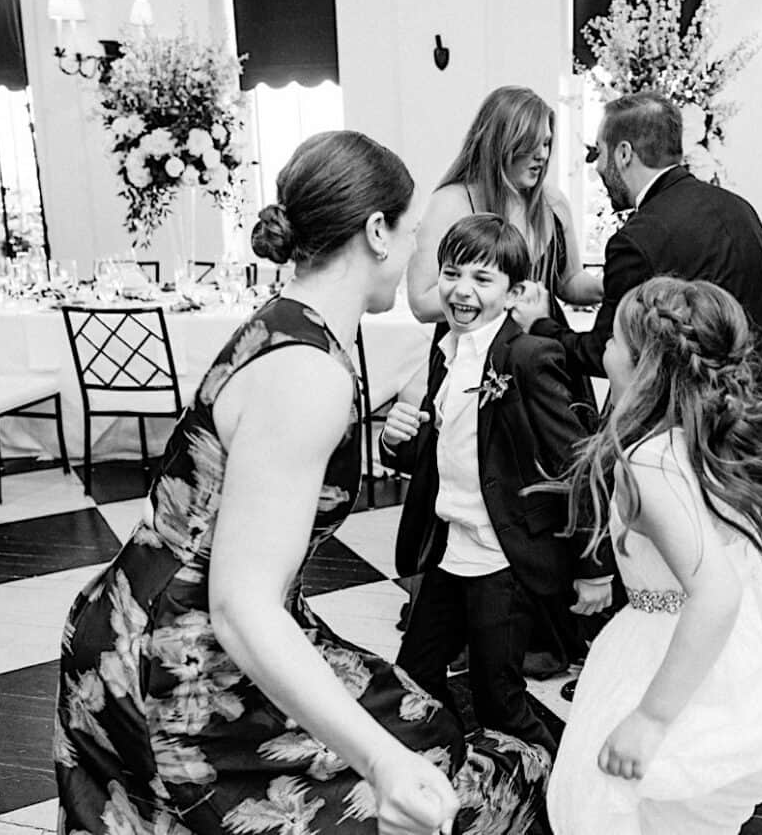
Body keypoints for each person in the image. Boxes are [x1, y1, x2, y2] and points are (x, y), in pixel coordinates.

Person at [56, 131, 547, 835]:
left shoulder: (287, 326)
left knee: (429, 724)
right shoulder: (307, 372)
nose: (417, 253)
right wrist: (378, 760)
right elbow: (240, 606)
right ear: (377, 230)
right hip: (174, 664)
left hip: (140, 616)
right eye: (412, 232)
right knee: (458, 786)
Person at [541, 278, 762, 833]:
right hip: (718, 651)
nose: (601, 346)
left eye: (612, 338)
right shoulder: (699, 435)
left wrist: (651, 719)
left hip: (671, 653)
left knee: (626, 805)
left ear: (640, 362)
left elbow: (716, 590)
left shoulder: (651, 460)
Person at [379, 214, 609, 753]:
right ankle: (450, 777)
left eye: (483, 280)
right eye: (452, 273)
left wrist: (595, 567)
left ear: (512, 293)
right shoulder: (446, 352)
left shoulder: (525, 358)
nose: (462, 291)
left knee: (498, 700)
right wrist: (396, 440)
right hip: (449, 548)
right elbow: (445, 455)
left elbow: (580, 462)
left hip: (502, 557)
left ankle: (563, 795)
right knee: (413, 678)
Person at [514, 92, 762, 394]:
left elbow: (602, 353)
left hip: (705, 417)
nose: (596, 167)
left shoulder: (636, 240)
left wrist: (540, 325)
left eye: (600, 152)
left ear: (624, 154)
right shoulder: (740, 209)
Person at [409, 86, 601, 324]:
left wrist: (614, 284)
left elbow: (569, 282)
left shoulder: (553, 203)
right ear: (501, 143)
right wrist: (500, 294)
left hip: (542, 350)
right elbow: (421, 302)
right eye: (532, 143)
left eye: (547, 143)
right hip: (476, 354)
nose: (542, 155)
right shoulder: (451, 203)